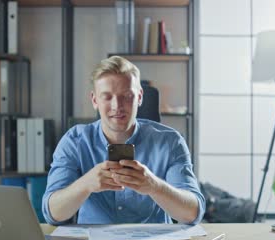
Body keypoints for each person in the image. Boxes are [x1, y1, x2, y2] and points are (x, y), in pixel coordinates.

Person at [42, 56, 205, 225]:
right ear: (94, 100)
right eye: (107, 96)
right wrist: (86, 184)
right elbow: (53, 214)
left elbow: (193, 214)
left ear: (140, 97)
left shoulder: (170, 142)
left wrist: (154, 186)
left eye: (127, 96)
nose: (117, 106)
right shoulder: (74, 142)